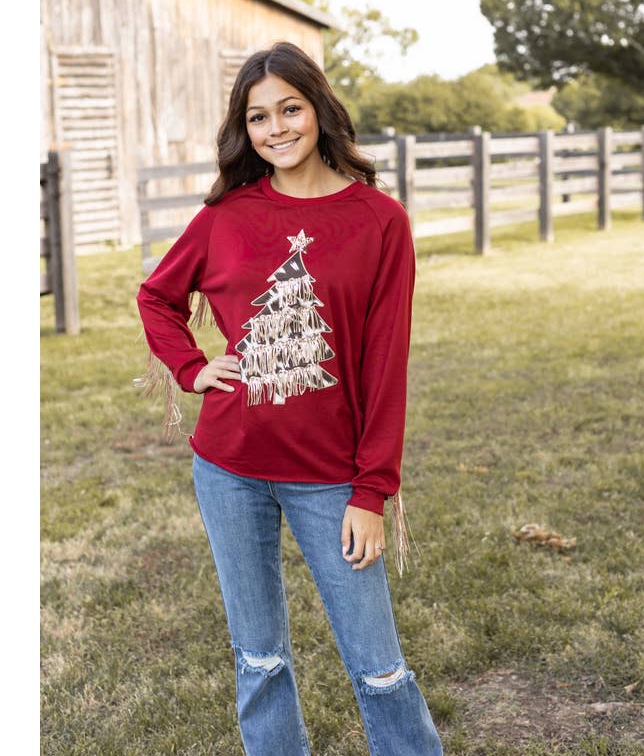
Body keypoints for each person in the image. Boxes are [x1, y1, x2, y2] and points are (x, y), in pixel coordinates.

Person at [134, 41, 444, 756]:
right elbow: (157, 296)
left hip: (331, 478)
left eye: (290, 109)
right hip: (228, 467)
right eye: (258, 116)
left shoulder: (378, 222)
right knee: (260, 659)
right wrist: (191, 367)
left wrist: (372, 491)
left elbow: (385, 365)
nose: (276, 128)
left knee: (380, 667)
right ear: (245, 130)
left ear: (319, 109)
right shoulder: (227, 218)